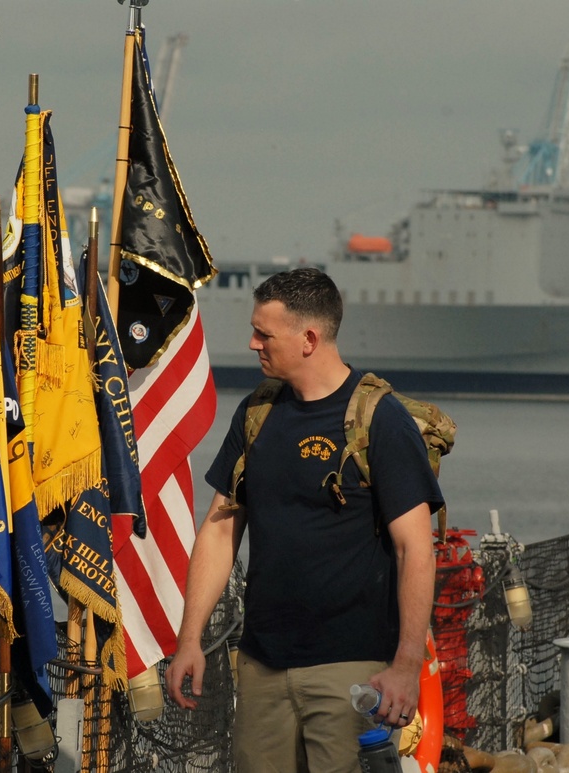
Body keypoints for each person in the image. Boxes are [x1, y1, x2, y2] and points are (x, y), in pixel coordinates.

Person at [165, 267, 443, 772]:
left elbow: (415, 549)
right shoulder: (256, 413)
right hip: (262, 666)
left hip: (352, 673)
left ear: (309, 338)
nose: (252, 343)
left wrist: (406, 666)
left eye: (264, 333)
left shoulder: (381, 420)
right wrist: (190, 640)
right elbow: (220, 528)